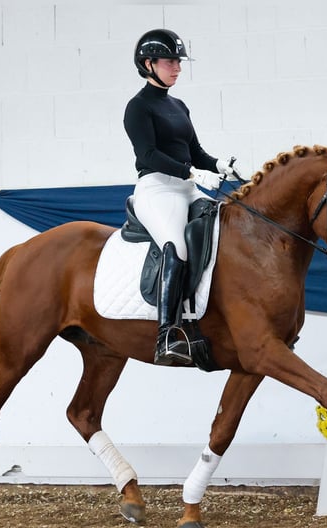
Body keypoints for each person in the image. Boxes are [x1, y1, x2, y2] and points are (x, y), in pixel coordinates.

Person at [124, 28, 239, 367]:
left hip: (186, 188)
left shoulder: (179, 105)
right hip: (157, 189)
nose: (177, 68)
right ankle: (167, 335)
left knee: (223, 230)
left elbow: (195, 151)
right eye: (170, 62)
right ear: (148, 64)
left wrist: (217, 164)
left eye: (178, 62)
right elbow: (149, 155)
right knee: (177, 245)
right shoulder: (138, 107)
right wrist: (191, 173)